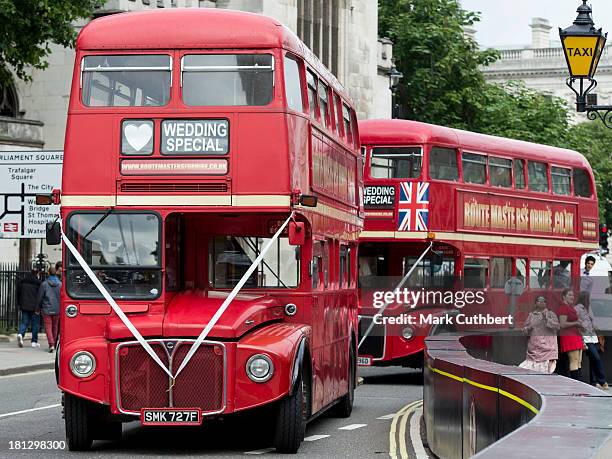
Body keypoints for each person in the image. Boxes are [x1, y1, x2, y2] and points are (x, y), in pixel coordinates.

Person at [575, 291, 608, 389]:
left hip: (593, 336)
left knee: (593, 359)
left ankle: (594, 382)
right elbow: (575, 320)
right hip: (585, 337)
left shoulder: (588, 309)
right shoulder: (577, 308)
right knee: (596, 358)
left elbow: (592, 321)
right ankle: (602, 381)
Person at [519, 295, 560, 373]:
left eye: (543, 301)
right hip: (533, 352)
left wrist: (546, 318)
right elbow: (524, 331)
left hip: (548, 351)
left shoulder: (551, 314)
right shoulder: (531, 315)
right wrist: (529, 327)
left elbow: (557, 326)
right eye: (539, 301)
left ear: (546, 303)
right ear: (535, 303)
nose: (541, 302)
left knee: (546, 374)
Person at [557, 289, 584, 380]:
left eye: (572, 295)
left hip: (576, 335)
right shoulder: (563, 308)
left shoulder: (570, 307)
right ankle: (576, 382)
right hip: (569, 336)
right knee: (574, 360)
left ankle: (580, 381)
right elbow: (562, 324)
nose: (572, 297)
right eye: (569, 295)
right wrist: (576, 323)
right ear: (564, 297)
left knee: (579, 361)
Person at [37, 266, 61, 353]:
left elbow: (40, 297)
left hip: (46, 308)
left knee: (48, 327)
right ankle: (54, 344)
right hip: (57, 309)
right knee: (55, 327)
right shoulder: (61, 284)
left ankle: (51, 344)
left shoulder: (44, 284)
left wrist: (37, 308)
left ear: (48, 273)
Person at [16, 269, 41, 348]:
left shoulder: (22, 282)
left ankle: (20, 334)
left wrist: (19, 303)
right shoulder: (38, 283)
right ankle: (34, 341)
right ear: (37, 274)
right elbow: (40, 296)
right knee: (35, 324)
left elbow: (18, 294)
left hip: (24, 305)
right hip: (35, 307)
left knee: (24, 322)